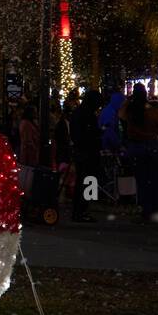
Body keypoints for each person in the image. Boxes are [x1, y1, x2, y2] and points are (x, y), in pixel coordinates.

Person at [120, 83, 158, 222]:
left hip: (136, 147)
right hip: (152, 146)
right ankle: (155, 208)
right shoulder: (152, 111)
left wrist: (128, 100)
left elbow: (120, 115)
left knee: (141, 181)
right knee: (153, 179)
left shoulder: (131, 111)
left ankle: (145, 210)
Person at [70, 89, 103, 222]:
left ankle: (81, 210)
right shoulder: (87, 114)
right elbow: (87, 134)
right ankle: (83, 210)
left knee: (83, 181)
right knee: (88, 180)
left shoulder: (79, 113)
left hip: (82, 151)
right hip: (88, 152)